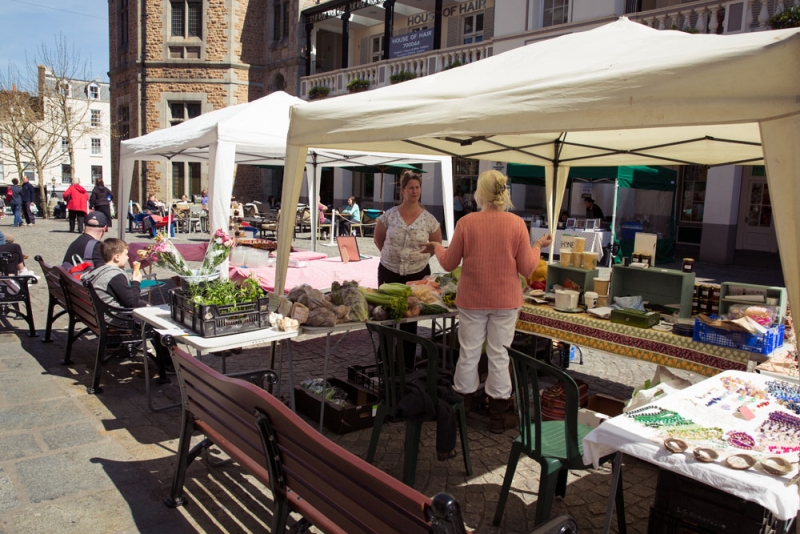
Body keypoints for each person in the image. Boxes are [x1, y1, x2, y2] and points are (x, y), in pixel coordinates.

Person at [421, 170, 552, 433]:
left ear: (480, 193)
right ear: (505, 193)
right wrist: (538, 246)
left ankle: (462, 411)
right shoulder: (516, 224)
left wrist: (436, 246)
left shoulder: (467, 223)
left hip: (472, 299)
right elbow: (527, 268)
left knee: (468, 353)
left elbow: (448, 263)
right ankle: (497, 418)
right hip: (506, 300)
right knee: (499, 355)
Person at [374, 171, 442, 369]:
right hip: (389, 271)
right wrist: (392, 256)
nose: (415, 191)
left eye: (417, 188)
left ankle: (406, 365)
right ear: (402, 190)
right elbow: (378, 239)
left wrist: (416, 259)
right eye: (411, 188)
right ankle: (384, 362)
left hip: (417, 274)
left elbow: (436, 244)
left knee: (410, 319)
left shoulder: (429, 219)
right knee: (386, 316)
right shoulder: (389, 215)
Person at [82, 238, 173, 382]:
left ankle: (166, 362)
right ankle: (168, 365)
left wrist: (144, 303)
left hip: (97, 316)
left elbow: (126, 299)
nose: (128, 257)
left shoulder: (98, 271)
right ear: (116, 257)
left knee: (147, 307)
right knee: (157, 323)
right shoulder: (115, 275)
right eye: (126, 254)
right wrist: (136, 281)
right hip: (115, 321)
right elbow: (131, 302)